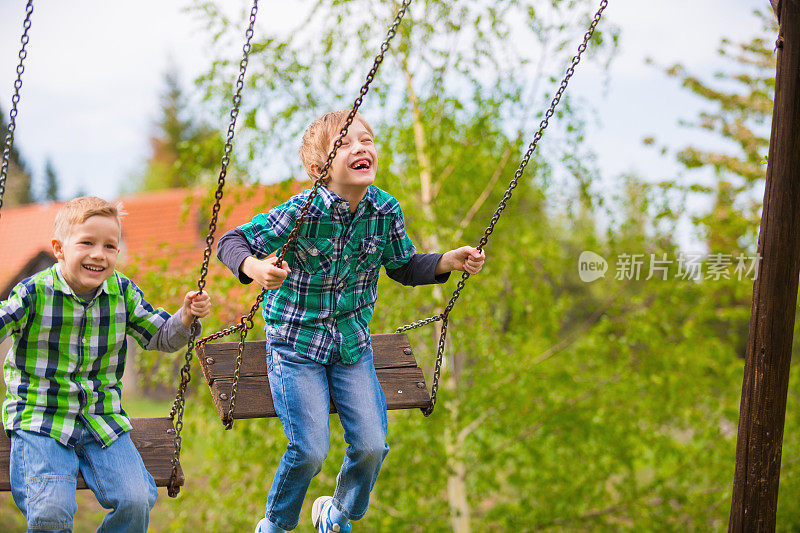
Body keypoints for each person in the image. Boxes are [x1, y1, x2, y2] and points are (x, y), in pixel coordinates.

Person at [217, 110, 485, 533]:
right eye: (344, 143)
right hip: (296, 347)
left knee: (372, 445)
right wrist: (253, 267)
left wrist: (447, 261)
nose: (361, 148)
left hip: (350, 348)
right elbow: (231, 241)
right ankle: (275, 524)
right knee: (308, 450)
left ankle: (336, 513)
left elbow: (403, 266)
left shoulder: (384, 210)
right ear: (316, 168)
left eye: (368, 140)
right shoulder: (300, 212)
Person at [0, 196, 212, 532]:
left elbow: (160, 337)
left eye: (110, 246)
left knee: (137, 499)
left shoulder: (122, 292)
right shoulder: (33, 293)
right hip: (40, 416)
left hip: (101, 419)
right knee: (50, 511)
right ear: (59, 248)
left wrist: (185, 317)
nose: (99, 253)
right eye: (87, 243)